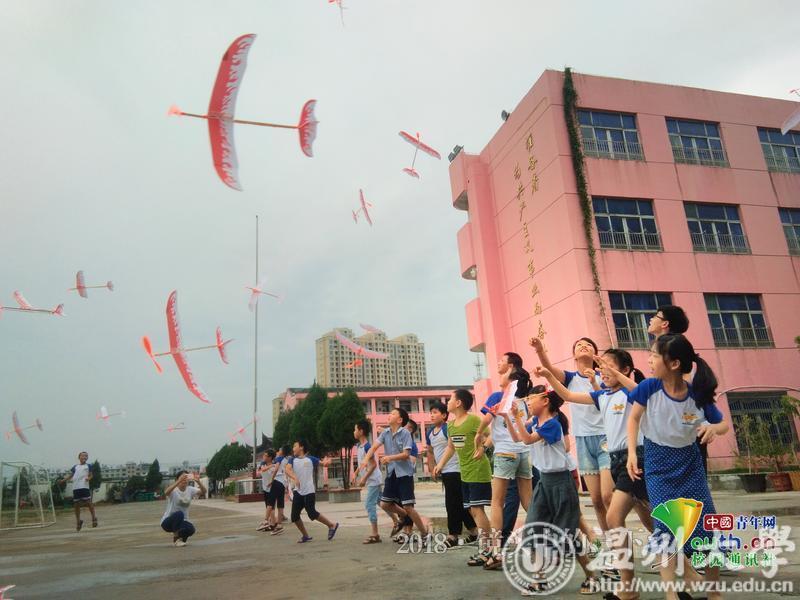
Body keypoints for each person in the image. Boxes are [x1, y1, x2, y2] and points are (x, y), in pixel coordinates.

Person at [539, 349, 653, 599]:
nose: (603, 371)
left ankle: (630, 585)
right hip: (617, 461)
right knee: (650, 519)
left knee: (616, 517)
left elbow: (640, 390)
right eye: (601, 367)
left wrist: (617, 374)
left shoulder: (631, 392)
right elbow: (568, 395)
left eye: (608, 366)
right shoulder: (602, 395)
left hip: (636, 458)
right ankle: (682, 567)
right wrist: (548, 376)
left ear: (625, 370)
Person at [627, 334, 729, 600]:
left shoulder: (696, 395)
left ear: (673, 364)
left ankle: (714, 593)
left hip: (690, 465)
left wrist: (712, 428)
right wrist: (631, 453)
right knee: (665, 528)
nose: (649, 360)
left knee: (706, 524)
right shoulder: (648, 388)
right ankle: (671, 595)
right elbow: (634, 419)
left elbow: (723, 424)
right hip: (657, 466)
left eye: (654, 355)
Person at [507, 388, 599, 595]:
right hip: (544, 483)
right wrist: (507, 417)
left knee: (568, 534)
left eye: (532, 399)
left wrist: (516, 417)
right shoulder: (535, 422)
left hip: (561, 484)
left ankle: (591, 575)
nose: (528, 402)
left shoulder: (552, 424)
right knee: (533, 529)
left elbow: (528, 440)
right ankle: (539, 580)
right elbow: (518, 438)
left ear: (545, 401)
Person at [530, 337, 613, 540]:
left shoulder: (605, 377)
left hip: (605, 438)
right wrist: (540, 349)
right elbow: (549, 369)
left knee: (607, 496)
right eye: (578, 345)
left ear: (595, 353)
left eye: (588, 344)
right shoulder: (570, 378)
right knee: (596, 499)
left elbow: (604, 400)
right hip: (583, 440)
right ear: (574, 355)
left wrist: (596, 380)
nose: (583, 346)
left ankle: (619, 541)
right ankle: (609, 542)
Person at [475, 352, 534, 569]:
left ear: (511, 380)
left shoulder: (500, 398)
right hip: (523, 453)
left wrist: (478, 435)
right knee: (529, 503)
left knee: (497, 503)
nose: (501, 376)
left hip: (505, 454)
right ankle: (541, 541)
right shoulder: (525, 402)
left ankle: (496, 551)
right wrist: (485, 444)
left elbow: (487, 421)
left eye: (505, 372)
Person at [433, 389, 493, 568]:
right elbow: (451, 447)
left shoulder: (473, 420)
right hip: (464, 473)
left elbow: (491, 435)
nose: (448, 402)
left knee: (477, 510)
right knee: (473, 511)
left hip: (478, 470)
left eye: (450, 399)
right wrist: (440, 465)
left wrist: (483, 448)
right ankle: (488, 547)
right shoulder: (451, 426)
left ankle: (488, 549)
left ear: (458, 403)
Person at [357, 408, 429, 542]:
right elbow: (374, 447)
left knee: (408, 506)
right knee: (385, 504)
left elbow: (406, 454)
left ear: (400, 420)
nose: (389, 414)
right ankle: (405, 517)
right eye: (390, 413)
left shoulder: (405, 433)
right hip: (392, 474)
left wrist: (389, 458)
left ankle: (425, 533)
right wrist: (365, 459)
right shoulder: (385, 433)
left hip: (404, 475)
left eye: (393, 413)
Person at [426, 400, 478, 549]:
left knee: (452, 503)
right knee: (459, 503)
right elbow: (430, 451)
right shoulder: (430, 432)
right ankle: (474, 531)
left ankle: (453, 535)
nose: (432, 415)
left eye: (435, 412)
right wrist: (432, 468)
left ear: (444, 415)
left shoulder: (448, 428)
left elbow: (457, 446)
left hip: (455, 470)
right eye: (431, 412)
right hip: (445, 471)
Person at [284, 440, 339, 543]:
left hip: (309, 491)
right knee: (294, 516)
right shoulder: (292, 459)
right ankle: (305, 536)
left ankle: (332, 525)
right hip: (298, 492)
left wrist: (327, 462)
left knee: (312, 513)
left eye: (295, 446)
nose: (293, 448)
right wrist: (294, 477)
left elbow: (323, 464)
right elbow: (287, 470)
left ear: (301, 447)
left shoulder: (311, 459)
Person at [353, 419, 383, 544]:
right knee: (382, 503)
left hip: (373, 480)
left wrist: (364, 479)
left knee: (369, 504)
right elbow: (362, 463)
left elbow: (373, 465)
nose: (354, 432)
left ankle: (375, 534)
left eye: (355, 429)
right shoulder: (359, 446)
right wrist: (356, 473)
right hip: (372, 480)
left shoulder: (367, 447)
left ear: (361, 431)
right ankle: (397, 519)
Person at [161, 470, 207, 547]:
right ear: (177, 479)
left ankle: (181, 540)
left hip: (181, 521)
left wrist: (198, 482)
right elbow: (166, 492)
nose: (184, 480)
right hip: (168, 522)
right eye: (182, 478)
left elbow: (204, 491)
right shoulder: (174, 490)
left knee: (191, 529)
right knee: (179, 514)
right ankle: (176, 539)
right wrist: (178, 481)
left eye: (186, 478)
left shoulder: (190, 489)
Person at [60, 451, 97, 531]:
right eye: (83, 456)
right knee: (76, 505)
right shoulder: (75, 466)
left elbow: (91, 475)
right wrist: (63, 480)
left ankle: (94, 518)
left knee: (88, 502)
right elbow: (71, 475)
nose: (84, 457)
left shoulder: (88, 466)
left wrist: (88, 478)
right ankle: (78, 521)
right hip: (76, 488)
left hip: (84, 486)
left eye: (86, 456)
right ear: (79, 457)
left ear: (87, 458)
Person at [269, 446, 291, 536]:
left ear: (283, 451)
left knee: (271, 503)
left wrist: (271, 479)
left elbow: (276, 468)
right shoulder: (287, 459)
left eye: (280, 449)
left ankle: (272, 523)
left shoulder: (279, 458)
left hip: (277, 481)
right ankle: (279, 524)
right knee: (280, 503)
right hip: (283, 483)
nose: (278, 450)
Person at [257, 450, 278, 531]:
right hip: (265, 488)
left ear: (270, 457)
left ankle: (268, 522)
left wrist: (273, 465)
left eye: (265, 455)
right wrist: (272, 465)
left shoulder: (275, 466)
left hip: (272, 488)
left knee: (270, 506)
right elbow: (263, 470)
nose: (263, 457)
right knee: (269, 507)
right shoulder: (263, 464)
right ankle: (273, 524)